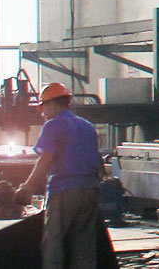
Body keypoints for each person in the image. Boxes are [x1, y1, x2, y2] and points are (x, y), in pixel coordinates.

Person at [20, 83, 111, 268]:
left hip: (64, 190)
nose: (42, 112)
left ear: (53, 104)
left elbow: (45, 159)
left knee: (53, 242)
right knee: (84, 244)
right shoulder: (87, 126)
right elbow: (97, 160)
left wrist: (27, 187)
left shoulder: (53, 125)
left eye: (43, 106)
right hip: (90, 190)